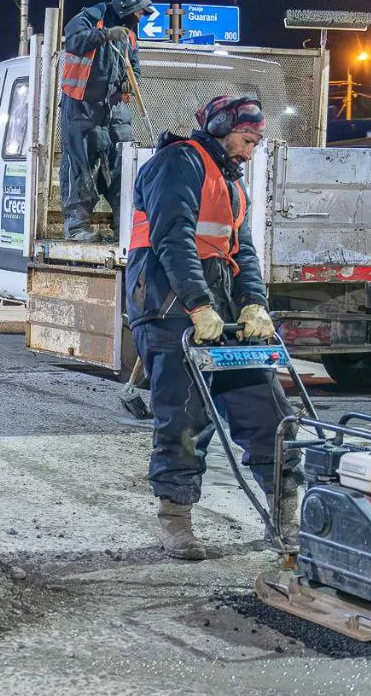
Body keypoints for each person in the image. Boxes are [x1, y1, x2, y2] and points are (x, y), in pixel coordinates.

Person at [125, 95, 301, 559]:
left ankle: (286, 516)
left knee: (269, 412)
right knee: (184, 418)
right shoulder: (177, 163)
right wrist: (198, 305)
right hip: (168, 309)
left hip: (219, 314)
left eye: (257, 143)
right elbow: (172, 236)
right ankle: (176, 520)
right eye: (247, 139)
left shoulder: (231, 182)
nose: (250, 151)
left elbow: (241, 250)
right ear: (222, 127)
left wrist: (254, 304)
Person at [59, 0, 155, 242]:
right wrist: (104, 35)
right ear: (127, 9)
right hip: (81, 106)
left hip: (113, 108)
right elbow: (74, 41)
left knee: (123, 164)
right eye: (139, 13)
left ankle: (123, 225)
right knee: (81, 165)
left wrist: (128, 84)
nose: (140, 19)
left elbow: (134, 65)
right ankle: (76, 225)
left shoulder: (130, 36)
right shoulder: (89, 18)